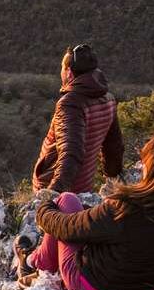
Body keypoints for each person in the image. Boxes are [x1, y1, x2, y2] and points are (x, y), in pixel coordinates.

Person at [24, 132, 154, 290]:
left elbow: (67, 228)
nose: (142, 167)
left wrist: (45, 209)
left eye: (146, 163)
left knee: (67, 200)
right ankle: (41, 262)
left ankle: (34, 263)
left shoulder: (127, 208)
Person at [31, 43, 124, 197]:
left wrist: (54, 192)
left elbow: (70, 152)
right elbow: (114, 147)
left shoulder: (70, 103)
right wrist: (113, 179)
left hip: (58, 190)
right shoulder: (109, 99)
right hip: (84, 189)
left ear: (69, 72)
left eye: (62, 69)